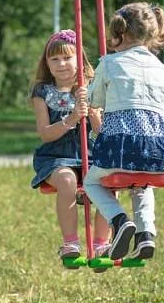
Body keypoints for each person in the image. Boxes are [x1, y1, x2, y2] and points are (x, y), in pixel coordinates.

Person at [83, 3, 164, 261]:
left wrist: (87, 90)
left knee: (91, 182)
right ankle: (146, 234)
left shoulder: (109, 62)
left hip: (120, 147)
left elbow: (94, 102)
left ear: (120, 33)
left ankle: (119, 220)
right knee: (142, 182)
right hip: (159, 151)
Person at [30, 29, 111, 261]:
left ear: (79, 59)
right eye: (54, 59)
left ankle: (101, 244)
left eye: (67, 57)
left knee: (106, 180)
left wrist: (92, 109)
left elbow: (99, 131)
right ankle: (71, 243)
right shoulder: (42, 93)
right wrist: (71, 120)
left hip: (89, 154)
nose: (61, 63)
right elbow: (45, 134)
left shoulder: (91, 87)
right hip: (56, 157)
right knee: (67, 180)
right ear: (46, 62)